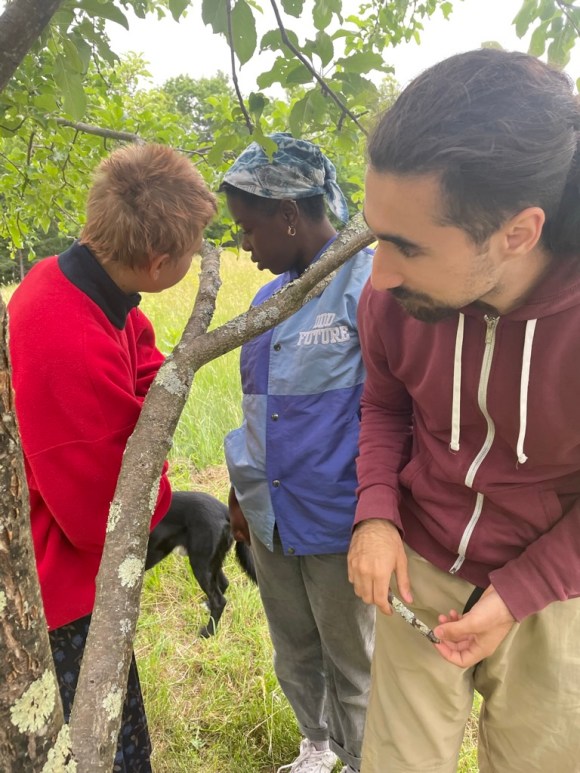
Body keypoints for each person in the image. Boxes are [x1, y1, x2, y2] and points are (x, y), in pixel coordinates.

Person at [348, 48, 580, 773]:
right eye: (374, 233)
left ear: (517, 232)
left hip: (556, 587)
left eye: (407, 246)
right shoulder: (391, 300)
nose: (378, 275)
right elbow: (385, 405)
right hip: (421, 566)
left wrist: (519, 594)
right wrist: (377, 511)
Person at [8, 143, 217, 771]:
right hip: (57, 594)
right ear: (158, 262)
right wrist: (155, 469)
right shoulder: (66, 340)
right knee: (105, 751)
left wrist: (143, 426)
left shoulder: (83, 284)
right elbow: (104, 515)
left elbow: (146, 359)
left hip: (69, 575)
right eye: (191, 252)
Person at [222, 132, 375, 773]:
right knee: (293, 642)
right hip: (271, 513)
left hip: (340, 515)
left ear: (288, 213)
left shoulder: (368, 287)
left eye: (250, 229)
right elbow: (256, 404)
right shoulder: (267, 300)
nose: (245, 246)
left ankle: (367, 755)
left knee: (352, 654)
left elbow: (393, 413)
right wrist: (239, 492)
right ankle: (318, 744)